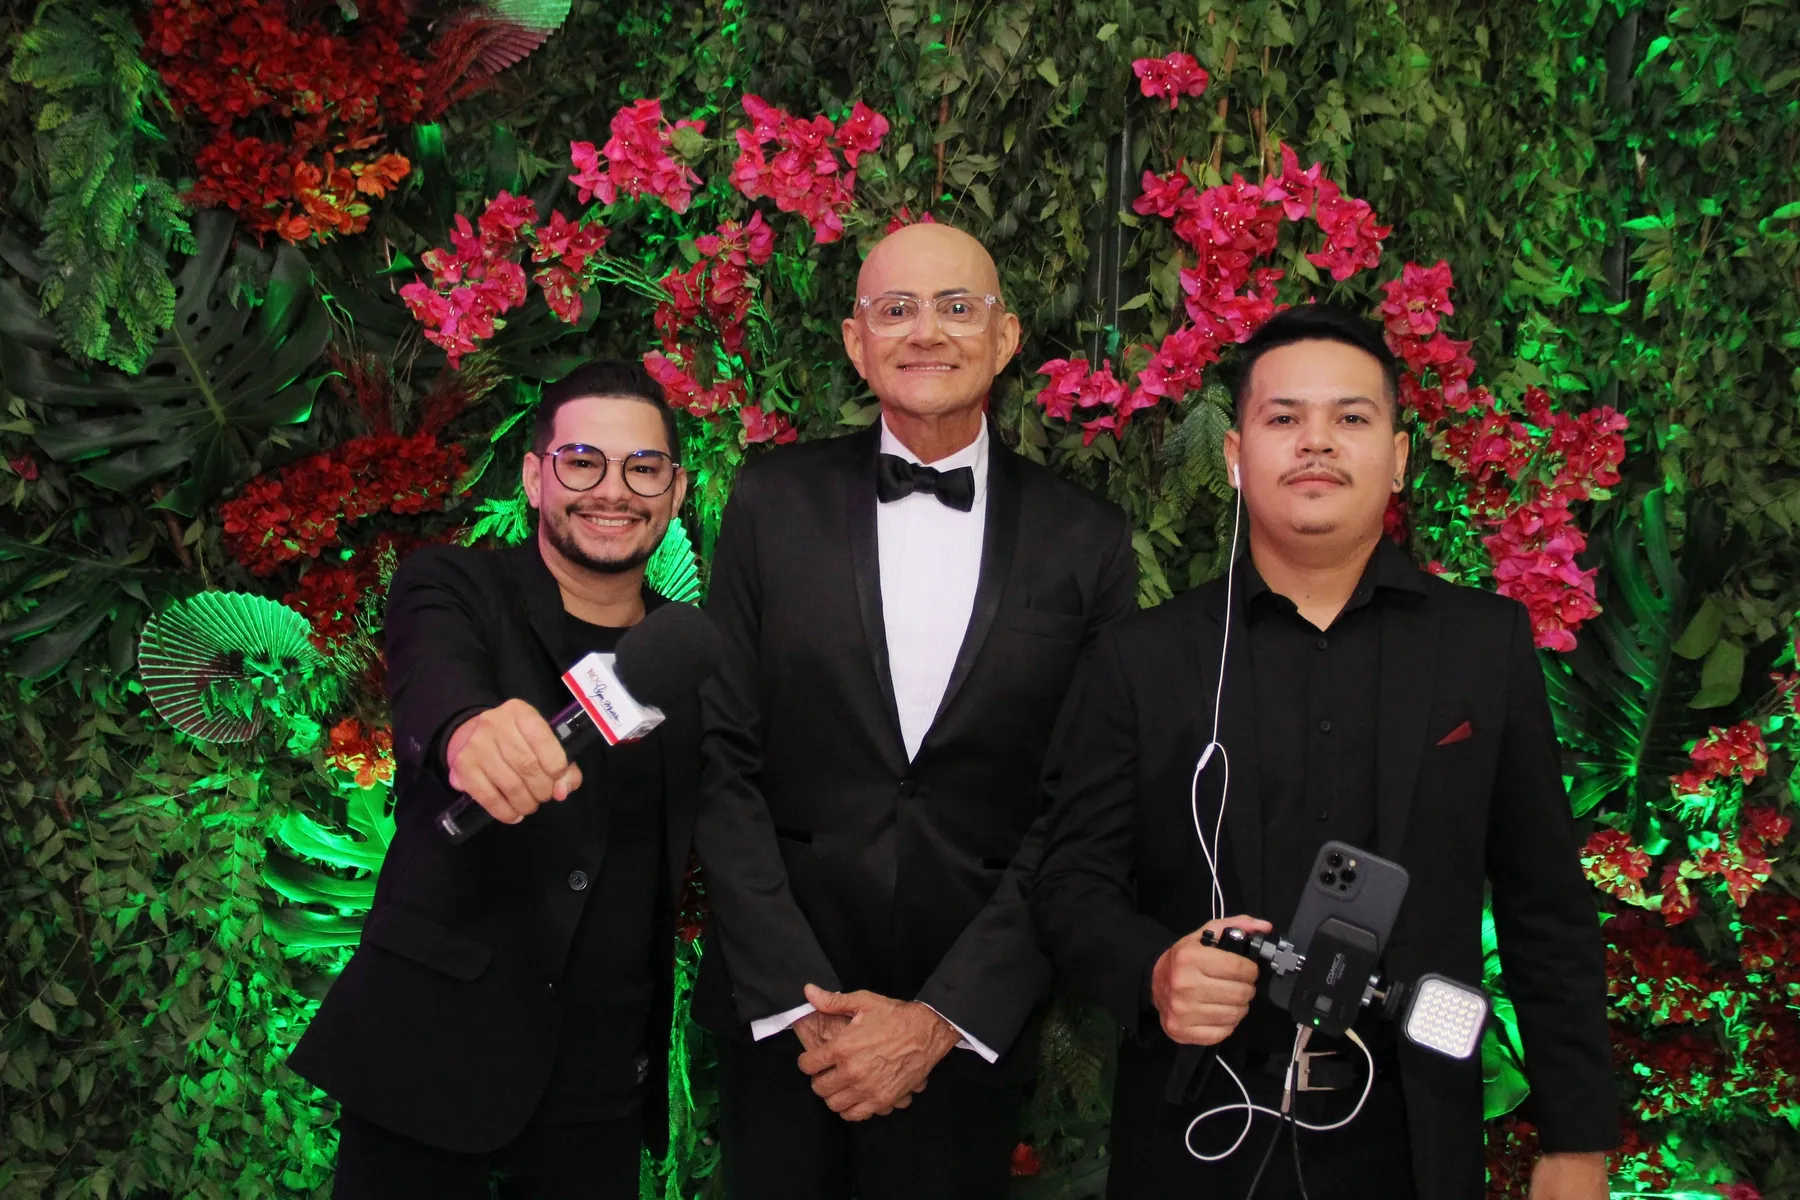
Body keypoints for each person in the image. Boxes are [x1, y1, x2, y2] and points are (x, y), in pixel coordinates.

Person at [1030, 306, 1617, 1199]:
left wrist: (1578, 1140)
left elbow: (1547, 909)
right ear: (1236, 455)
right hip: (1200, 1131)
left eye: (1351, 417)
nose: (1317, 442)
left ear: (1399, 456)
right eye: (1284, 417)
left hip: (1412, 1142)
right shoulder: (1144, 658)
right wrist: (1153, 970)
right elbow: (1071, 885)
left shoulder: (1481, 646)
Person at [694, 222, 1137, 1199]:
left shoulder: (1089, 541)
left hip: (964, 1029)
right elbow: (719, 753)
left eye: (956, 307)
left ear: (1005, 337)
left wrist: (941, 1018)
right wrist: (798, 1000)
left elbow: (1083, 804)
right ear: (857, 343)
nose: (926, 331)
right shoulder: (770, 502)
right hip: (782, 1022)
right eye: (896, 309)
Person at [290, 360, 701, 1199]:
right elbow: (440, 687)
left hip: (601, 1090)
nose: (612, 490)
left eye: (643, 467)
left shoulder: (687, 653)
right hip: (430, 1065)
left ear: (675, 490)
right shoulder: (455, 586)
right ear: (535, 477)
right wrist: (468, 734)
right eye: (582, 462)